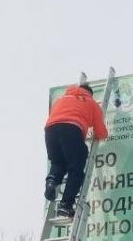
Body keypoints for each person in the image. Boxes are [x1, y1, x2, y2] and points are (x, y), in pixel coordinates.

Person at [44, 83, 110, 217]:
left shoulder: (61, 99)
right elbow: (101, 133)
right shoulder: (91, 102)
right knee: (76, 168)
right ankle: (66, 205)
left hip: (50, 130)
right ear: (89, 94)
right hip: (71, 129)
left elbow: (63, 116)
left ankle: (52, 181)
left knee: (58, 162)